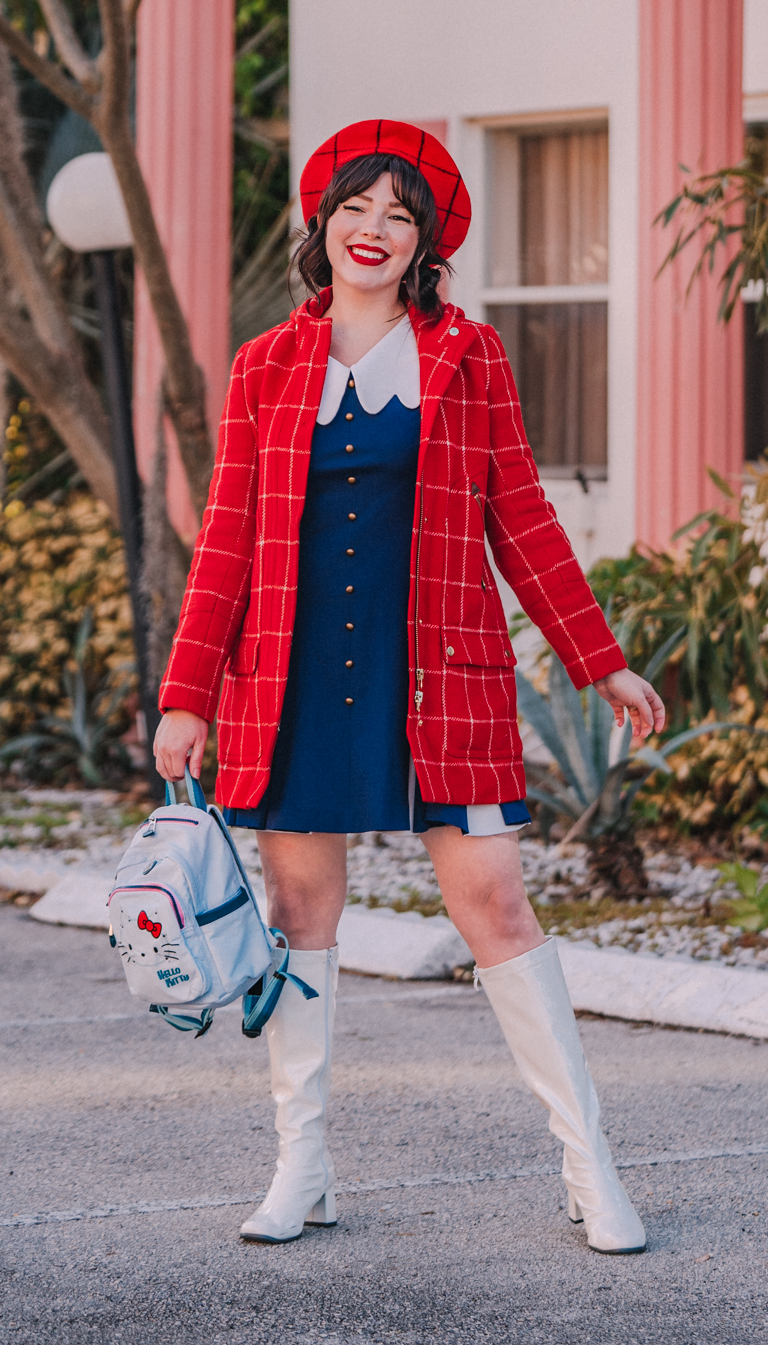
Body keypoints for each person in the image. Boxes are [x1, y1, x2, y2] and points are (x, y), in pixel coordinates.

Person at [154, 119, 665, 1253]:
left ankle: (589, 1169)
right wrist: (187, 693)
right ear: (321, 222)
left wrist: (599, 659)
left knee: (495, 906)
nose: (372, 229)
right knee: (299, 915)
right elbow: (227, 540)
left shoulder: (468, 359)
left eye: (399, 214)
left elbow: (518, 514)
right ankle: (303, 1169)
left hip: (441, 678)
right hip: (289, 682)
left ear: (426, 243)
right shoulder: (264, 367)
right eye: (355, 207)